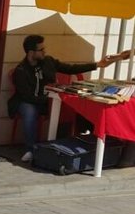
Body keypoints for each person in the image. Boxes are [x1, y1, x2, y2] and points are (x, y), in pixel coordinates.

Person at [10, 34, 112, 163]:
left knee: (79, 103)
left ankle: (85, 145)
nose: (44, 52)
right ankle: (31, 149)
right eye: (41, 50)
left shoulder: (48, 61)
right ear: (31, 53)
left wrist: (97, 65)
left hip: (49, 99)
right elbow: (27, 96)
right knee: (30, 111)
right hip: (29, 101)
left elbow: (70, 69)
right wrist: (48, 99)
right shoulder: (21, 70)